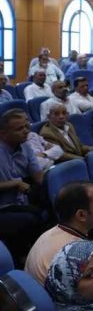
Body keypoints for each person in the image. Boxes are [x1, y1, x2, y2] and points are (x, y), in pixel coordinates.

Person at [0, 109, 45, 267]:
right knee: (31, 218)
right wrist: (15, 183)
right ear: (3, 134)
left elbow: (39, 178)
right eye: (19, 129)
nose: (26, 131)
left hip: (19, 200)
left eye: (27, 126)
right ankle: (26, 260)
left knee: (52, 203)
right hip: (3, 206)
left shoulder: (25, 146)